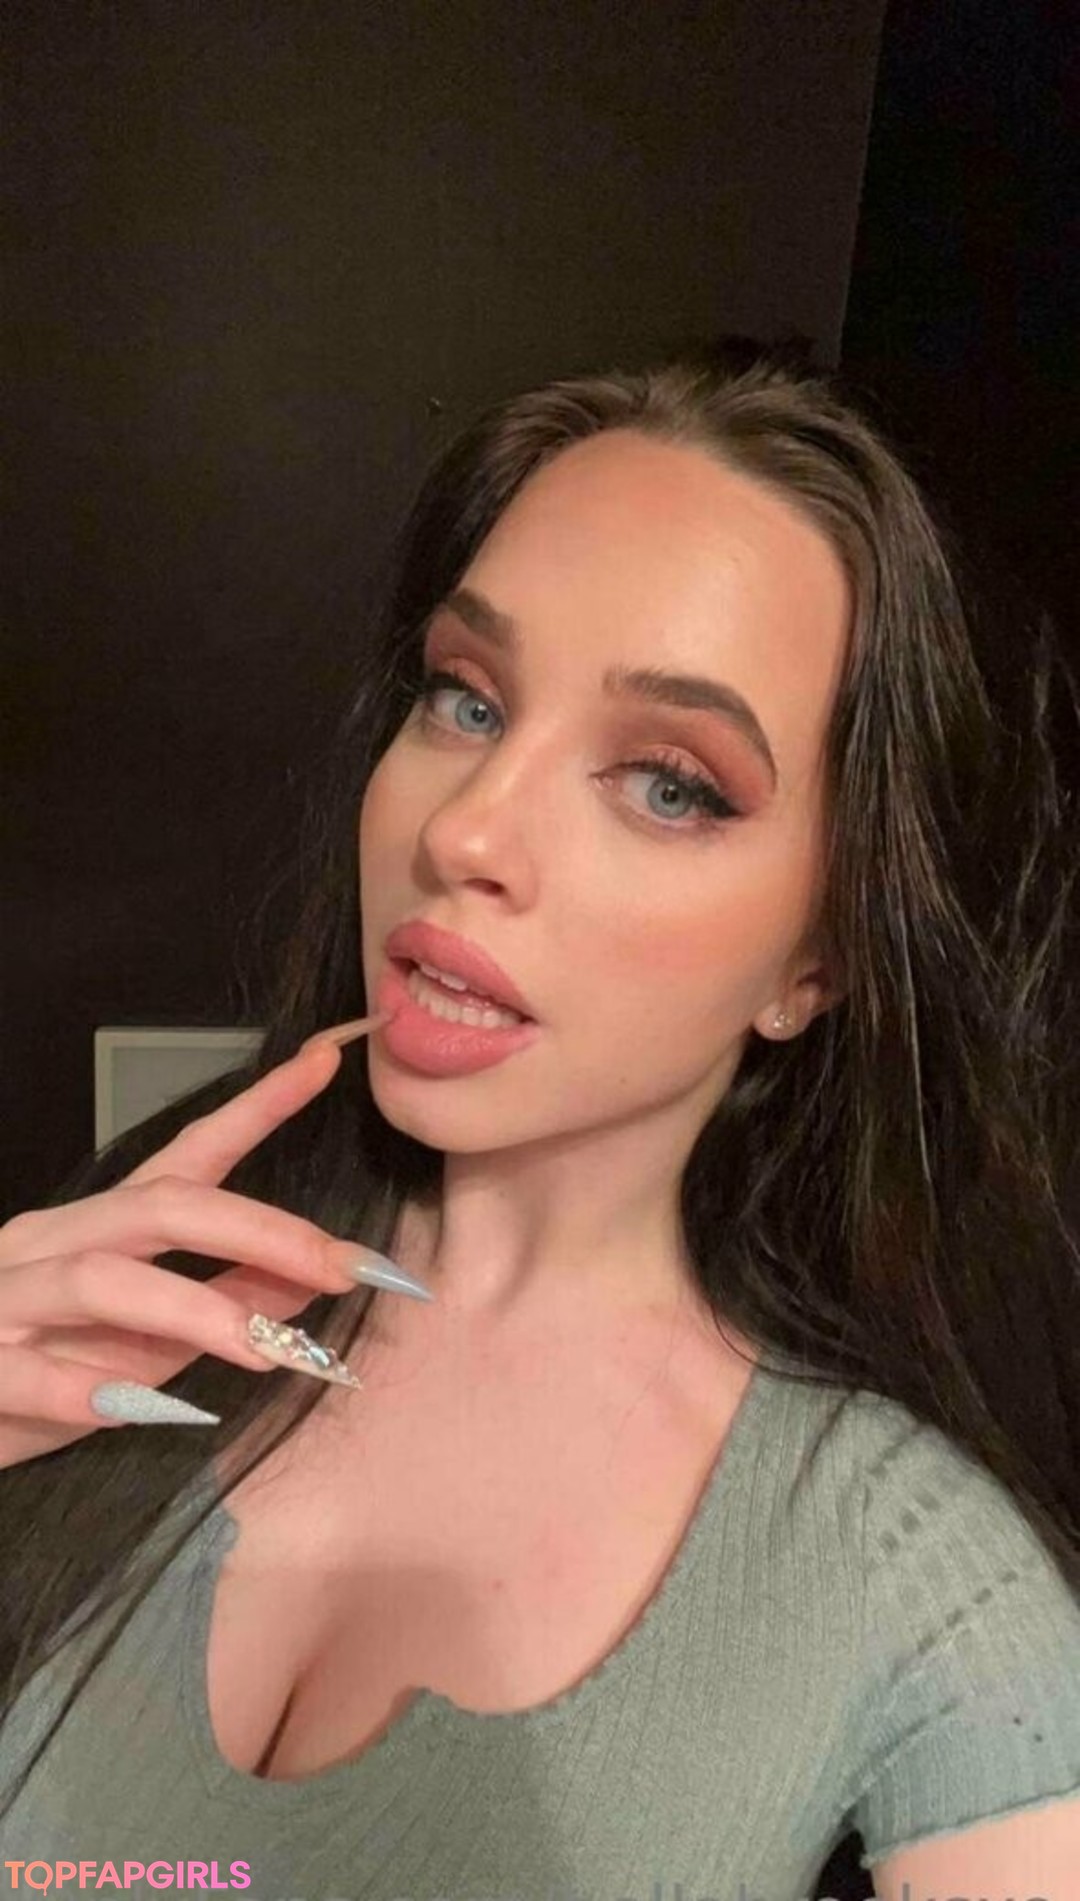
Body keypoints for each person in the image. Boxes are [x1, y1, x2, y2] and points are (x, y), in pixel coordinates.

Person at [1, 348, 1078, 1901]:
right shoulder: (134, 1273)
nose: (466, 829)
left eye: (670, 784)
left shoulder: (923, 1580)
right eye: (466, 698)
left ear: (819, 958)